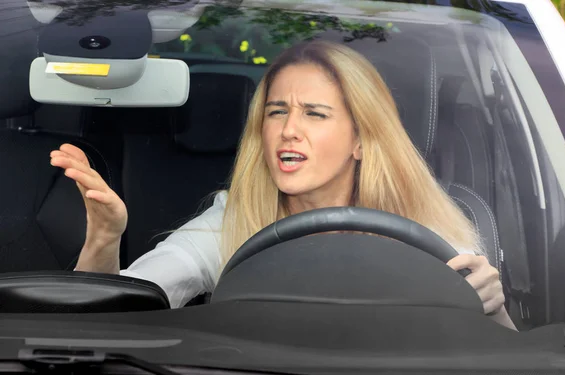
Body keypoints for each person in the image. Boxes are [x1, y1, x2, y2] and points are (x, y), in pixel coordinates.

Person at [49, 40, 516, 329]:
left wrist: (493, 312)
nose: (289, 129)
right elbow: (113, 314)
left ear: (360, 140)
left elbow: (503, 363)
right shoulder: (232, 219)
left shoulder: (429, 231)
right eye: (277, 112)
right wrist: (105, 240)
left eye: (314, 113)